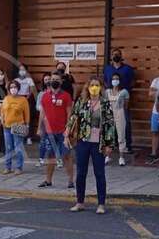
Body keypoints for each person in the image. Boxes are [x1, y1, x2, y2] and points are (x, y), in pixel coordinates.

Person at [66, 77, 116, 215]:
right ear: (87, 87)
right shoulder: (81, 102)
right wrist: (67, 132)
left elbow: (110, 124)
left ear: (101, 87)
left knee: (99, 173)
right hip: (83, 141)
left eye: (97, 85)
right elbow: (73, 118)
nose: (94, 87)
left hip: (99, 143)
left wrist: (109, 144)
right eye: (92, 85)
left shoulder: (105, 104)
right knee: (81, 173)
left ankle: (101, 204)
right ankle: (80, 202)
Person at [38, 72, 75, 189]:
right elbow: (42, 113)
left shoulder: (66, 96)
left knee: (66, 156)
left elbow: (70, 113)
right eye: (52, 79)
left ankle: (70, 181)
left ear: (61, 81)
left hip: (63, 131)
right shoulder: (45, 96)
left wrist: (68, 129)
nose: (54, 81)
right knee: (50, 156)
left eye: (56, 79)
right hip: (49, 132)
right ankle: (48, 180)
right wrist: (39, 127)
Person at [103, 48, 135, 152]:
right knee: (111, 122)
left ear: (121, 56)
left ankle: (127, 145)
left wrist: (126, 92)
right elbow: (105, 81)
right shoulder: (107, 68)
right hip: (111, 98)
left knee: (125, 122)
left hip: (122, 98)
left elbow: (133, 82)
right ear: (111, 56)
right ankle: (113, 144)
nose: (116, 56)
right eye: (114, 54)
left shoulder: (128, 69)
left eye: (118, 54)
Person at [1, 80, 30, 175]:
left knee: (18, 147)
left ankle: (19, 167)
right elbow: (2, 111)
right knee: (8, 147)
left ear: (18, 88)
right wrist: (2, 120)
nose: (13, 89)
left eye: (15, 87)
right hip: (7, 126)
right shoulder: (6, 99)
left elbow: (27, 113)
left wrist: (27, 124)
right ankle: (7, 167)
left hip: (18, 125)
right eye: (11, 87)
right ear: (9, 89)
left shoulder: (23, 100)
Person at [105, 73, 130, 166]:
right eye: (113, 78)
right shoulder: (107, 92)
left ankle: (121, 157)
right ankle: (107, 156)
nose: (115, 80)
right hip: (109, 114)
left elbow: (126, 105)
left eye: (117, 78)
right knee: (109, 135)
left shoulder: (124, 92)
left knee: (121, 135)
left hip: (120, 113)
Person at [15, 64, 37, 145]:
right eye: (20, 69)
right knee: (18, 118)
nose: (22, 71)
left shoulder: (29, 80)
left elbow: (32, 90)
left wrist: (27, 97)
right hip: (18, 99)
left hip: (27, 98)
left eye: (24, 69)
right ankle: (20, 137)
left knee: (28, 118)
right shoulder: (16, 80)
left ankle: (28, 137)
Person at [35, 73, 54, 167]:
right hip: (44, 120)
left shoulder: (57, 93)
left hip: (55, 121)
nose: (48, 81)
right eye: (46, 79)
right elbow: (38, 107)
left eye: (49, 79)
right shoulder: (41, 94)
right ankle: (41, 158)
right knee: (43, 140)